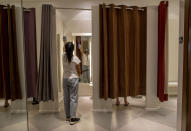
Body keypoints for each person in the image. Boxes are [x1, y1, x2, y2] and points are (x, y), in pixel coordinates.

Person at [62, 42, 81, 125]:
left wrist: (66, 45)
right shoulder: (75, 58)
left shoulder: (63, 56)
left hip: (65, 79)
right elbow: (79, 70)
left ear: (65, 49)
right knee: (73, 98)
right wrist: (78, 76)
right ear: (73, 49)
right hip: (74, 79)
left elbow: (64, 48)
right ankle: (73, 118)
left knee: (66, 98)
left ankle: (68, 116)